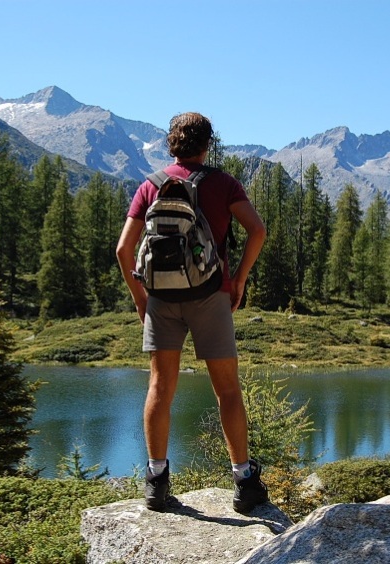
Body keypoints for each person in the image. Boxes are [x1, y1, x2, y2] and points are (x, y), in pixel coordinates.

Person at [116, 112, 268, 513]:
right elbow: (258, 230)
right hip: (210, 296)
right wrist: (238, 280)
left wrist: (140, 298)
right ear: (208, 144)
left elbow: (122, 250)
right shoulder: (223, 183)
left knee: (159, 389)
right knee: (227, 391)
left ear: (172, 144)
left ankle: (156, 482)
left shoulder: (150, 186)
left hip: (161, 299)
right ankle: (243, 481)